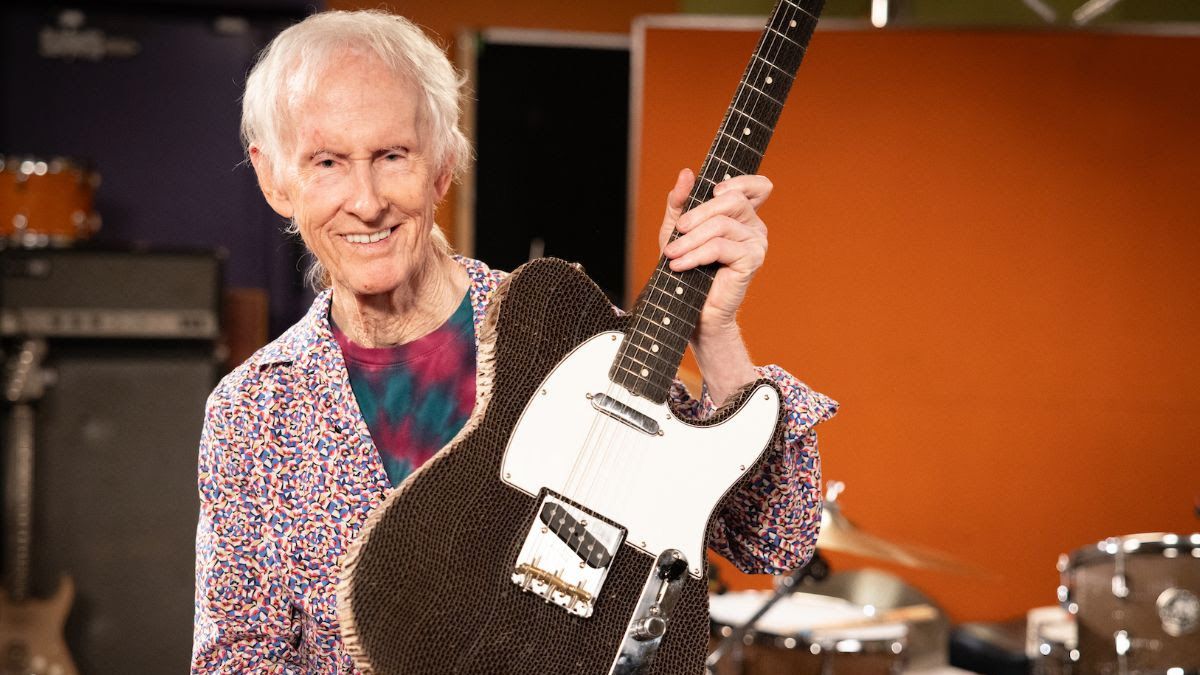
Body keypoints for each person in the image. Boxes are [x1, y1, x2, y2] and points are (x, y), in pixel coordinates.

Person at [192, 9, 837, 673]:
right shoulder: (252, 411)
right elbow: (236, 659)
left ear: (442, 164)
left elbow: (776, 541)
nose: (366, 200)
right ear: (275, 178)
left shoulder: (558, 331)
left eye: (392, 156)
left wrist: (717, 331)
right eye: (327, 162)